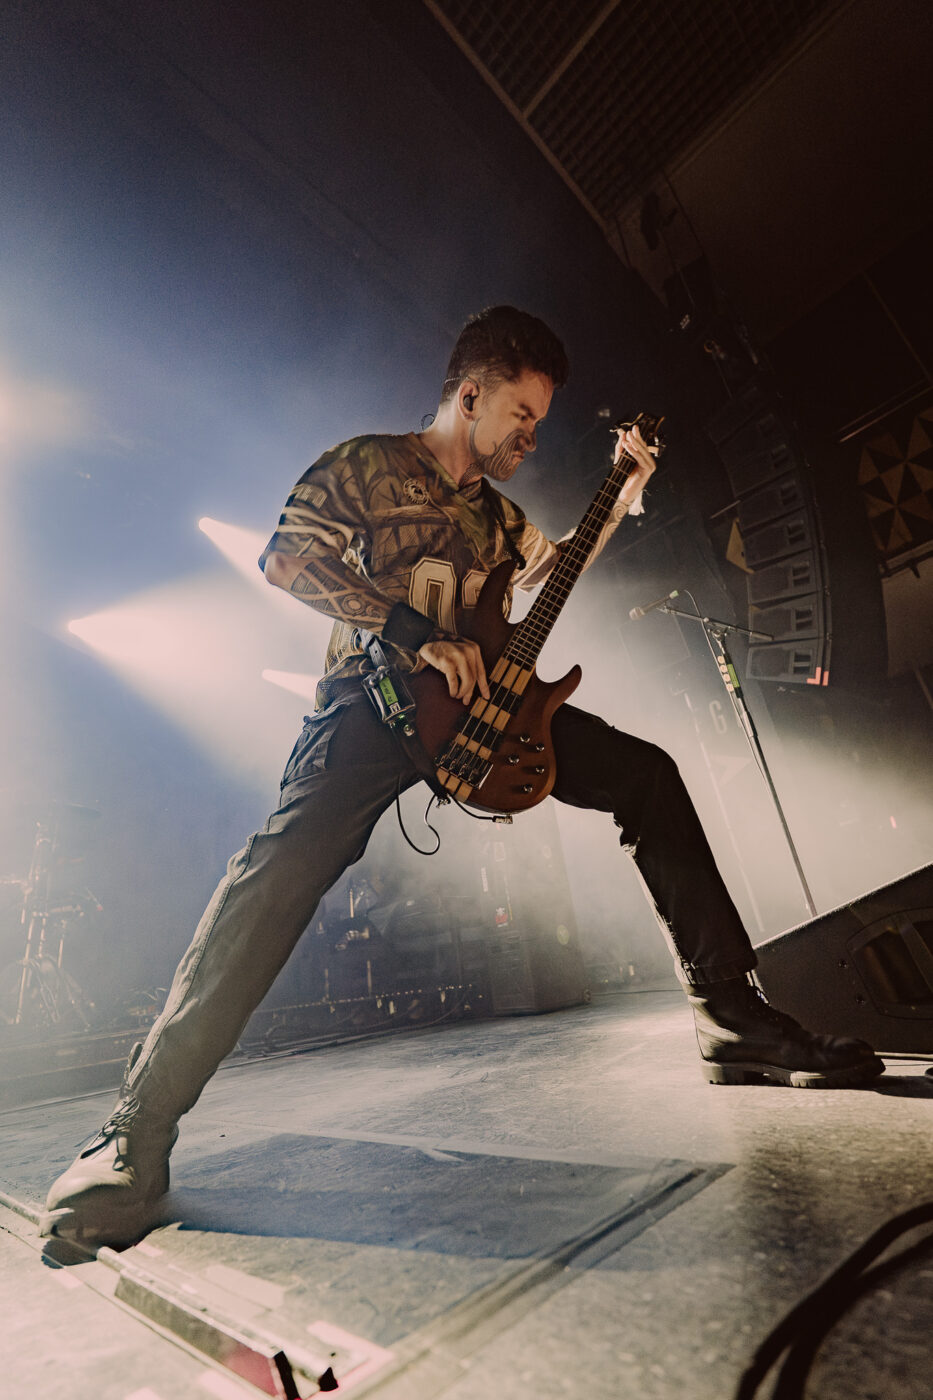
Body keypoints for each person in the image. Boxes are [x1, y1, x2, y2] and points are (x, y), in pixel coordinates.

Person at [41, 306, 882, 1248]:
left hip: (488, 710)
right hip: (370, 704)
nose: (531, 437)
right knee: (272, 876)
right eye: (521, 415)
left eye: (540, 422)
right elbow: (286, 560)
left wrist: (621, 492)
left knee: (647, 775)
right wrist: (414, 635)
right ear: (470, 395)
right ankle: (137, 1130)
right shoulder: (368, 464)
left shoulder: (500, 517)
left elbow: (557, 565)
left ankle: (728, 1014)